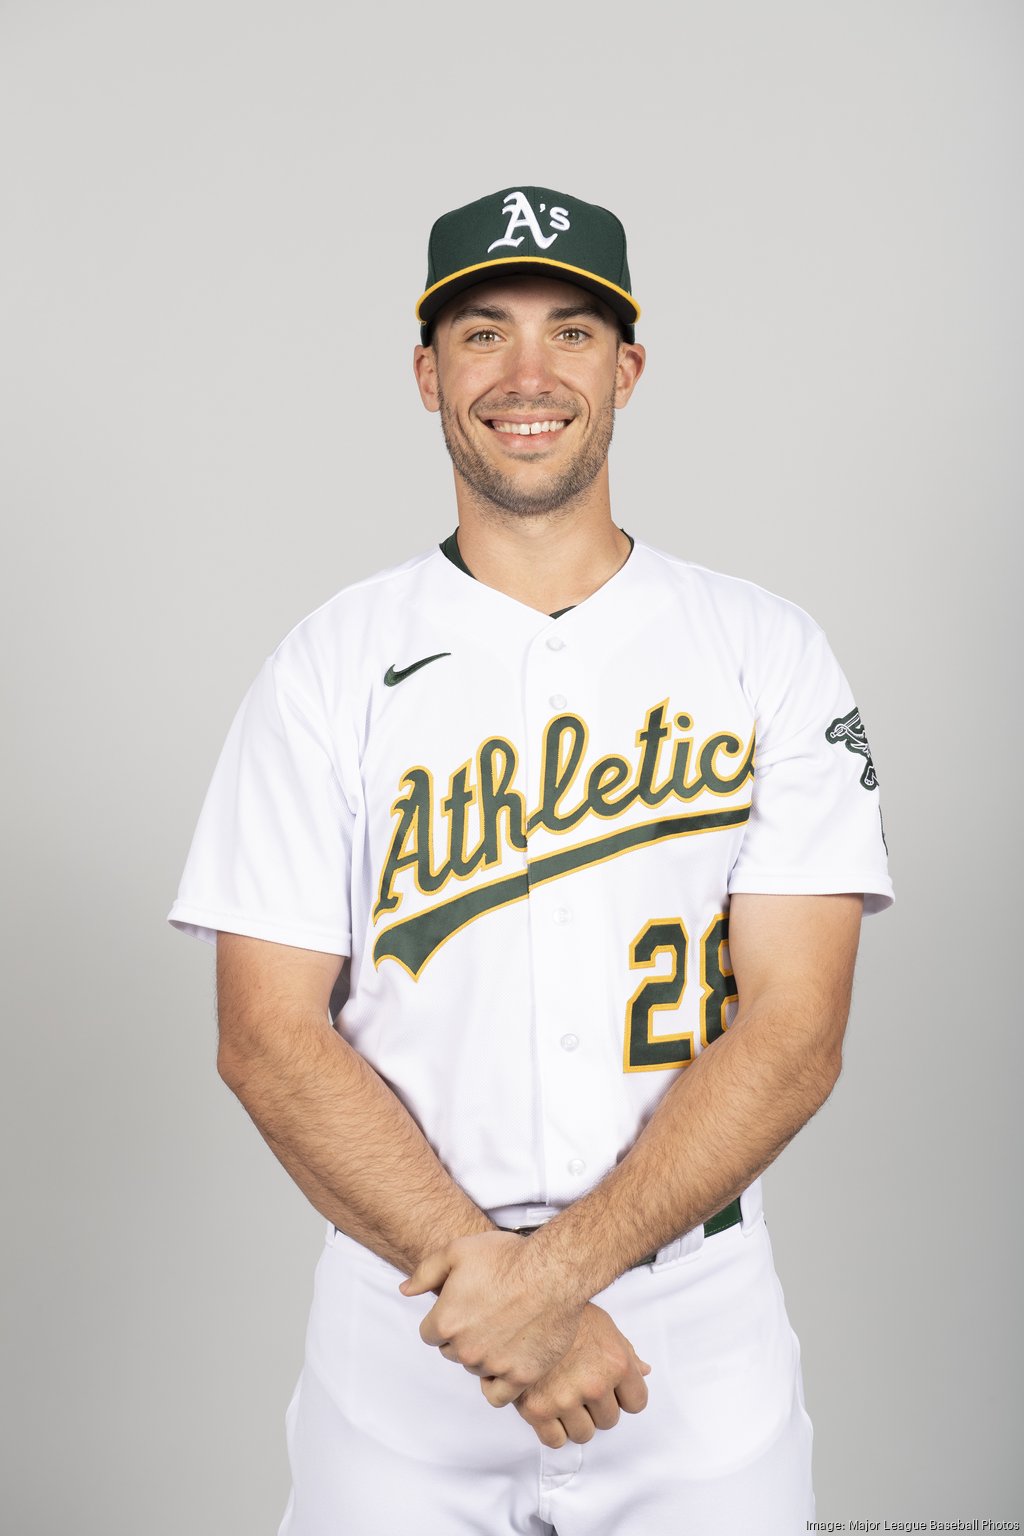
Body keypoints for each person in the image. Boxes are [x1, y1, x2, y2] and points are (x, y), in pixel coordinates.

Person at [169, 184, 893, 1535]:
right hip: (405, 1323)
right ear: (426, 370)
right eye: (482, 332)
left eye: (570, 333)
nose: (524, 375)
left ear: (626, 368)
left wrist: (551, 1278)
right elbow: (267, 1039)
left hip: (694, 1321)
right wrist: (501, 1289)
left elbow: (797, 1030)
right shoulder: (326, 666)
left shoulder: (765, 651)